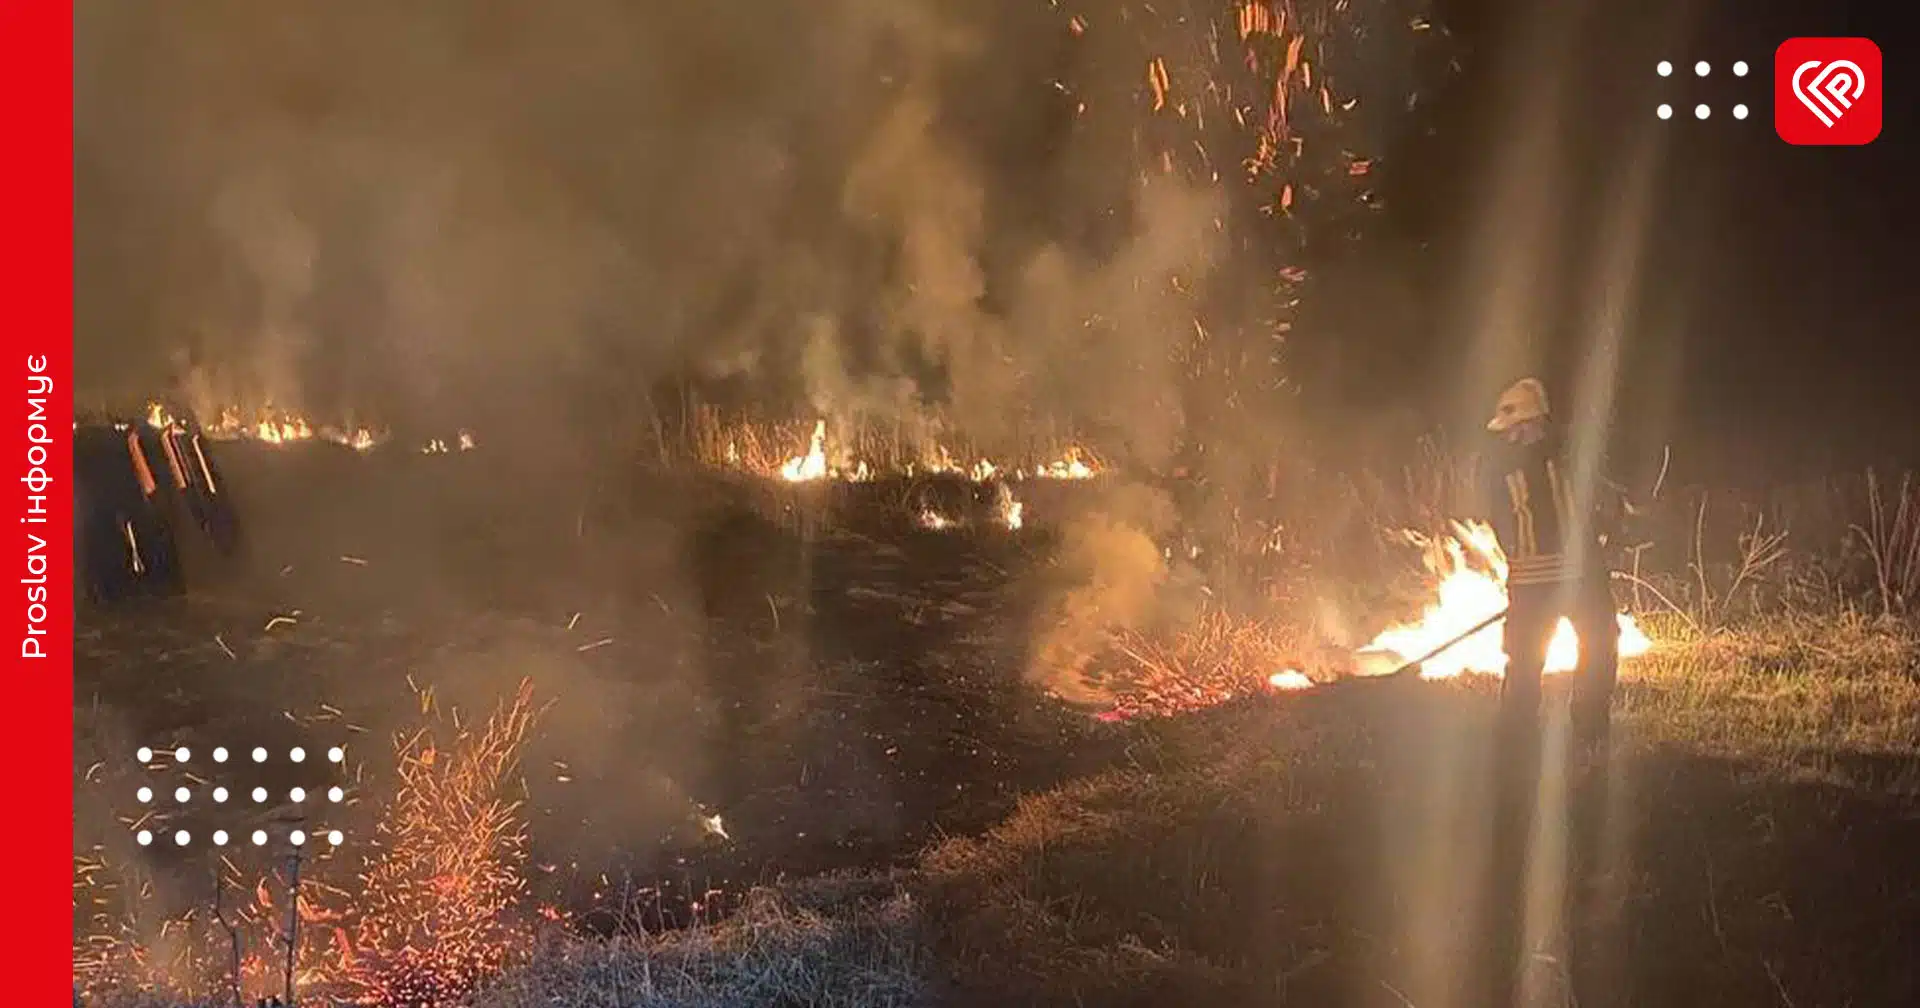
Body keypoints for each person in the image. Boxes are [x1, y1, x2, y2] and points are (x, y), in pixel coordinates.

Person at [1474, 376, 1634, 1006]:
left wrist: (1583, 543)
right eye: (1509, 428)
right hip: (1541, 581)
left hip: (1567, 578)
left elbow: (1597, 504)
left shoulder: (1564, 455)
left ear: (1536, 422)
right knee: (1527, 667)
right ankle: (1521, 739)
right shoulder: (1521, 464)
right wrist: (1536, 561)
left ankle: (1586, 727)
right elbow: (1505, 522)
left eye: (1518, 426)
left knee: (1597, 647)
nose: (1513, 436)